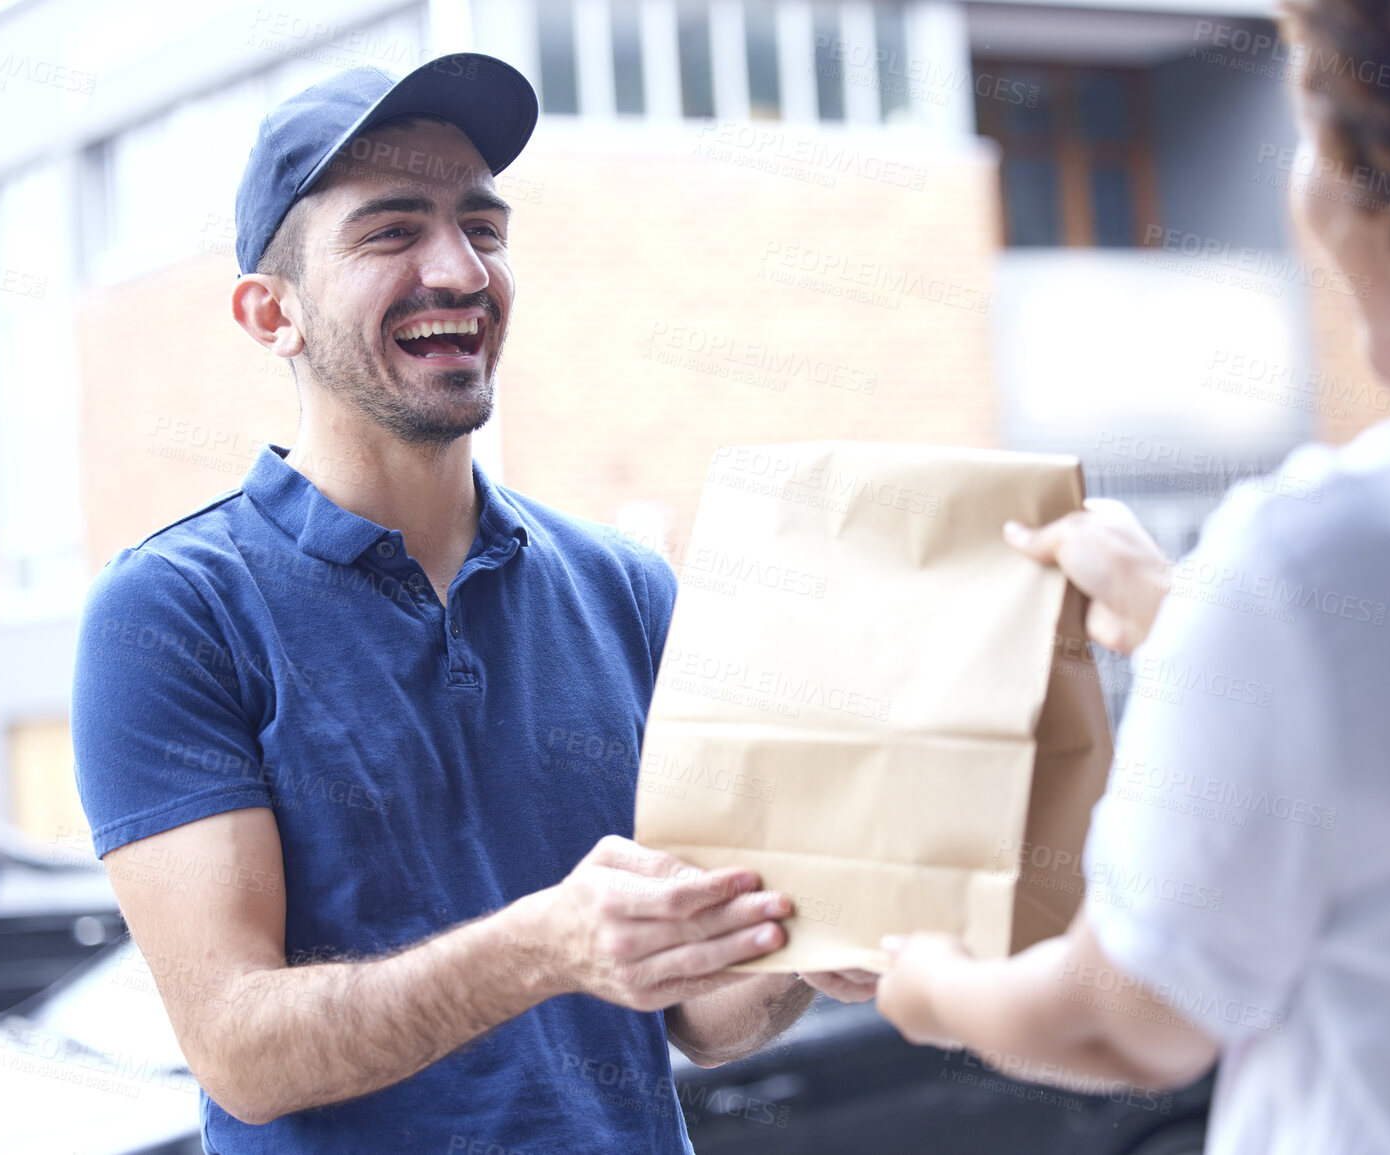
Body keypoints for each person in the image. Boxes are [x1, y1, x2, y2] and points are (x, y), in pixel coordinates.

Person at [70, 55, 873, 1154]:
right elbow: (241, 1051)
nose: (459, 269)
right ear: (271, 314)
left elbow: (702, 1017)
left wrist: (804, 944)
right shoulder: (172, 613)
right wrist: (545, 947)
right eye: (392, 231)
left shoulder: (628, 588)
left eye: (483, 228)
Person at [877, 3, 1390, 1152]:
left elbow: (1130, 1022)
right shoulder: (1322, 584)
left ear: (1386, 184)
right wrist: (1193, 626)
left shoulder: (1320, 557)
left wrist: (933, 988)